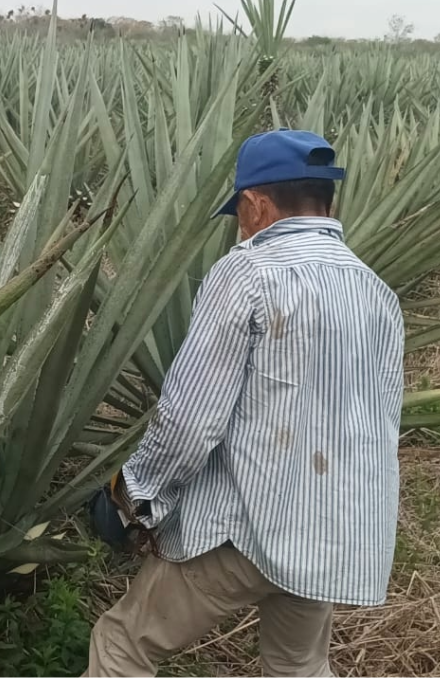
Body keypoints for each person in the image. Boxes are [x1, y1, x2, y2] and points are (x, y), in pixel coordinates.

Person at [86, 129, 405, 677]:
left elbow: (190, 419)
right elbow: (377, 424)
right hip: (331, 535)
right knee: (298, 666)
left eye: (238, 211)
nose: (240, 224)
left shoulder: (250, 272)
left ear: (256, 205)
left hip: (245, 528)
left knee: (123, 643)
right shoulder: (375, 291)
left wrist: (134, 500)